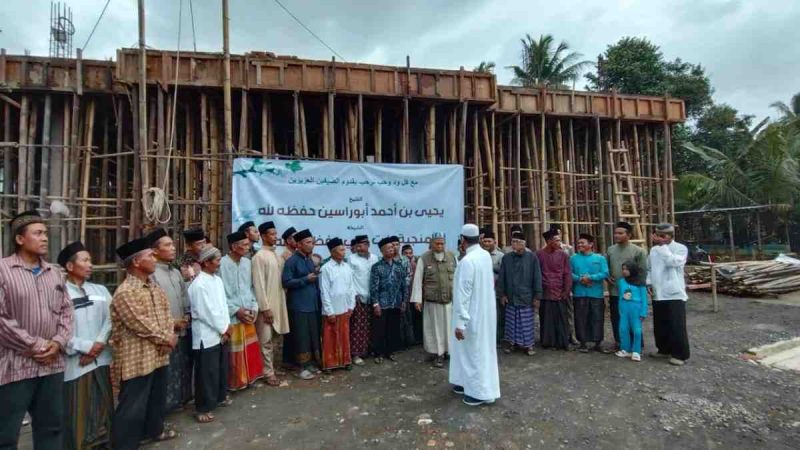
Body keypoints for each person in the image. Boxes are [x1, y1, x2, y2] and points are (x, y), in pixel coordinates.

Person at [0, 211, 73, 450]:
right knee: (6, 435)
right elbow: (2, 319)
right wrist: (36, 345)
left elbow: (66, 311)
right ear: (20, 239)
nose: (44, 238)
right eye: (38, 233)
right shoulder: (3, 271)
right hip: (15, 367)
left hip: (51, 365)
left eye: (45, 233)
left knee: (51, 428)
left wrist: (59, 342)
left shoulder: (54, 273)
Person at [110, 235, 177, 448]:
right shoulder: (125, 292)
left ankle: (153, 431)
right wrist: (167, 337)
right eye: (150, 255)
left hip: (159, 354)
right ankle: (124, 444)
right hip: (136, 358)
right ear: (137, 262)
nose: (155, 258)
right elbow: (139, 324)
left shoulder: (154, 286)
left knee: (156, 399)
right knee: (132, 405)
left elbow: (166, 314)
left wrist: (168, 336)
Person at [58, 241, 113, 450]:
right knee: (77, 411)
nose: (90, 264)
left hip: (100, 359)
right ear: (70, 266)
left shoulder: (99, 290)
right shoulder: (60, 294)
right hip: (76, 363)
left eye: (90, 260)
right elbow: (58, 329)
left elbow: (111, 318)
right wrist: (86, 347)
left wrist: (98, 344)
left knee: (102, 406)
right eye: (85, 260)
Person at [449, 224, 500, 407]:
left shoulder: (467, 262)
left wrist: (461, 322)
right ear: (479, 238)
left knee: (474, 353)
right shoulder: (484, 255)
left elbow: (464, 293)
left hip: (471, 315)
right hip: (484, 312)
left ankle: (480, 393)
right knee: (468, 351)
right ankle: (464, 382)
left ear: (462, 240)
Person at [148, 228, 193, 412]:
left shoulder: (174, 272)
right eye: (168, 245)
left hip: (183, 329)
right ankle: (165, 407)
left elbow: (184, 297)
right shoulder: (152, 275)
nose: (173, 248)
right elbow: (152, 307)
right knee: (166, 370)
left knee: (182, 365)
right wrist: (172, 322)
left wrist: (187, 315)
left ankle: (181, 399)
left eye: (173, 244)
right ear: (155, 251)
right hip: (164, 333)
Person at [187, 246, 232, 424]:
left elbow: (223, 306)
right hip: (206, 335)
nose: (219, 264)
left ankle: (219, 398)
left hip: (221, 331)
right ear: (206, 262)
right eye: (217, 260)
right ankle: (202, 408)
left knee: (220, 369)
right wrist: (223, 328)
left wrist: (227, 327)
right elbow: (206, 312)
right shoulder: (198, 285)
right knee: (206, 373)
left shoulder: (217, 280)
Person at [220, 231, 263, 390]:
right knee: (234, 353)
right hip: (232, 315)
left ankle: (250, 379)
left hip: (248, 313)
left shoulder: (247, 263)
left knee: (250, 348)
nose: (247, 247)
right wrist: (236, 310)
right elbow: (220, 293)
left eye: (247, 244)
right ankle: (235, 383)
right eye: (244, 245)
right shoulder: (222, 264)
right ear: (233, 247)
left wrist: (253, 307)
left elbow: (250, 288)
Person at [410, 232, 457, 368]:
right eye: (437, 243)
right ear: (431, 244)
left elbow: (458, 278)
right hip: (433, 301)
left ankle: (449, 351)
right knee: (435, 329)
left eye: (442, 243)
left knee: (449, 328)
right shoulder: (424, 259)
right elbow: (418, 280)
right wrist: (417, 300)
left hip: (449, 300)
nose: (440, 246)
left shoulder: (452, 257)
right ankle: (437, 354)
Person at [251, 221, 289, 386]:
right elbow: (258, 284)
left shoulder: (276, 255)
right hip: (266, 307)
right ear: (263, 236)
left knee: (274, 339)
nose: (275, 237)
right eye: (272, 234)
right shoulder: (259, 256)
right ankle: (267, 373)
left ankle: (270, 368)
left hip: (278, 303)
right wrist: (265, 308)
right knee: (265, 340)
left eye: (275, 234)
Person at [647, 223, 690, 366]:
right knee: (660, 324)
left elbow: (673, 262)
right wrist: (649, 283)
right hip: (658, 292)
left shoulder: (680, 248)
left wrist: (663, 247)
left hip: (674, 293)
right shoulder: (653, 250)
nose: (660, 238)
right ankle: (663, 349)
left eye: (663, 236)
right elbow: (649, 268)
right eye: (657, 235)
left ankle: (680, 354)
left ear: (671, 236)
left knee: (676, 324)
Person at [281, 229, 322, 380]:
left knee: (312, 335)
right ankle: (301, 367)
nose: (312, 245)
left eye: (312, 242)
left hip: (312, 305)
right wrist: (305, 279)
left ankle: (310, 363)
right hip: (298, 306)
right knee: (301, 337)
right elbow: (286, 281)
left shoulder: (308, 259)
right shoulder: (292, 261)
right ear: (298, 244)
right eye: (308, 243)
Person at [497, 231, 542, 356]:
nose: (514, 244)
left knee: (526, 323)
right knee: (511, 323)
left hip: (526, 296)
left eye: (517, 242)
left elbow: (537, 277)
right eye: (513, 242)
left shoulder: (532, 257)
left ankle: (528, 346)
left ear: (523, 244)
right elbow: (502, 278)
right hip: (511, 296)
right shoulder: (506, 258)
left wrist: (537, 296)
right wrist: (502, 294)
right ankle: (512, 344)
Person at [606, 221, 648, 352]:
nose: (616, 235)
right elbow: (607, 268)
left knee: (633, 318)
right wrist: (608, 277)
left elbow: (642, 272)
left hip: (633, 293)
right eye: (615, 233)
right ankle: (619, 342)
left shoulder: (639, 251)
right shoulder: (610, 250)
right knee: (617, 317)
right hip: (615, 291)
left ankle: (637, 343)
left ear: (628, 235)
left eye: (620, 233)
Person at [369, 237, 408, 364]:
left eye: (392, 248)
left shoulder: (399, 266)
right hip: (382, 303)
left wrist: (403, 301)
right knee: (380, 329)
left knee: (393, 329)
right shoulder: (377, 267)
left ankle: (390, 352)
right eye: (388, 248)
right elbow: (373, 287)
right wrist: (375, 304)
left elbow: (404, 285)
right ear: (382, 251)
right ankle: (379, 353)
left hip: (396, 302)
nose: (391, 250)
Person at [319, 238, 356, 371]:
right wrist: (330, 311)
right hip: (332, 310)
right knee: (330, 338)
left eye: (344, 249)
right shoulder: (326, 268)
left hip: (345, 308)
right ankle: (329, 365)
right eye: (341, 249)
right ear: (333, 252)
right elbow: (324, 292)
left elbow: (351, 288)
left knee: (344, 336)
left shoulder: (347, 267)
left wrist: (351, 306)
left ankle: (345, 362)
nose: (344, 251)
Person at [570, 233, 609, 353]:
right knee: (580, 318)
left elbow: (605, 273)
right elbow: (569, 273)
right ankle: (583, 343)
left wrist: (591, 277)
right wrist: (580, 279)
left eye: (583, 243)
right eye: (579, 243)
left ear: (591, 244)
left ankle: (598, 342)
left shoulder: (600, 258)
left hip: (596, 294)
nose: (579, 245)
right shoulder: (573, 258)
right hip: (580, 293)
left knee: (597, 318)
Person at [536, 229, 573, 350]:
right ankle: (547, 342)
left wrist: (566, 290)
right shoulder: (539, 254)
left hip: (560, 291)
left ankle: (562, 342)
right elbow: (536, 273)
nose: (559, 243)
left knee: (561, 318)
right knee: (546, 317)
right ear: (549, 241)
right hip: (545, 291)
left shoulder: (563, 254)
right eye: (557, 240)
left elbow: (567, 273)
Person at [347, 235, 379, 366]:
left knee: (371, 326)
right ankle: (356, 354)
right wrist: (354, 295)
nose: (359, 248)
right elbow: (349, 279)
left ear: (368, 245)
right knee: (358, 327)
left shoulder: (375, 258)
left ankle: (367, 350)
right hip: (358, 297)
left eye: (362, 245)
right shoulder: (351, 259)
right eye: (357, 246)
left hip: (373, 297)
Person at [615, 261, 648, 362]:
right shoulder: (621, 282)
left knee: (637, 330)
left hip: (636, 307)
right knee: (623, 328)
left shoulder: (640, 283)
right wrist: (620, 308)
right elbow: (620, 296)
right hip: (624, 307)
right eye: (623, 269)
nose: (624, 271)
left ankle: (636, 351)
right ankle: (625, 349)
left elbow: (644, 298)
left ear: (632, 270)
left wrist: (643, 312)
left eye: (627, 269)